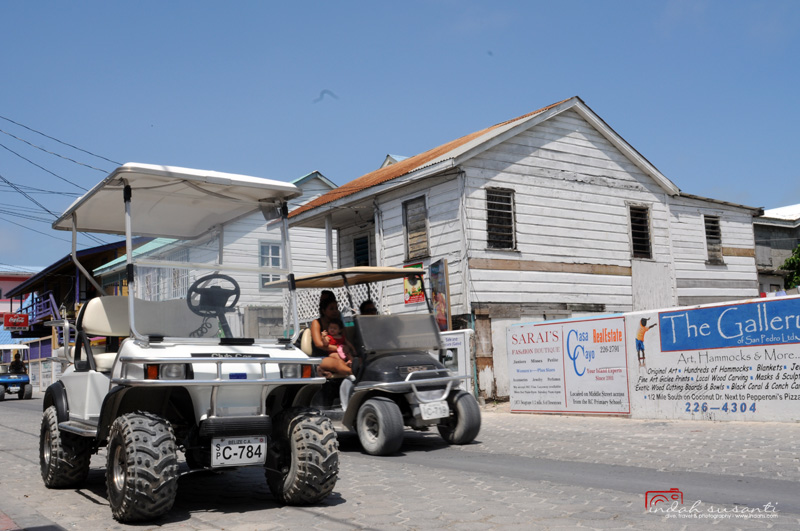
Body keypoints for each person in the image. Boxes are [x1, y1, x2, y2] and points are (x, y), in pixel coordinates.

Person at [310, 291, 352, 378]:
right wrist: (338, 348)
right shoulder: (317, 323)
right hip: (321, 357)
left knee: (357, 359)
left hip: (340, 354)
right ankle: (354, 373)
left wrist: (347, 348)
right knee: (338, 363)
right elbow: (318, 344)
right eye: (331, 309)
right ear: (324, 311)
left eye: (336, 308)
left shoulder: (339, 323)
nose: (335, 311)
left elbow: (345, 339)